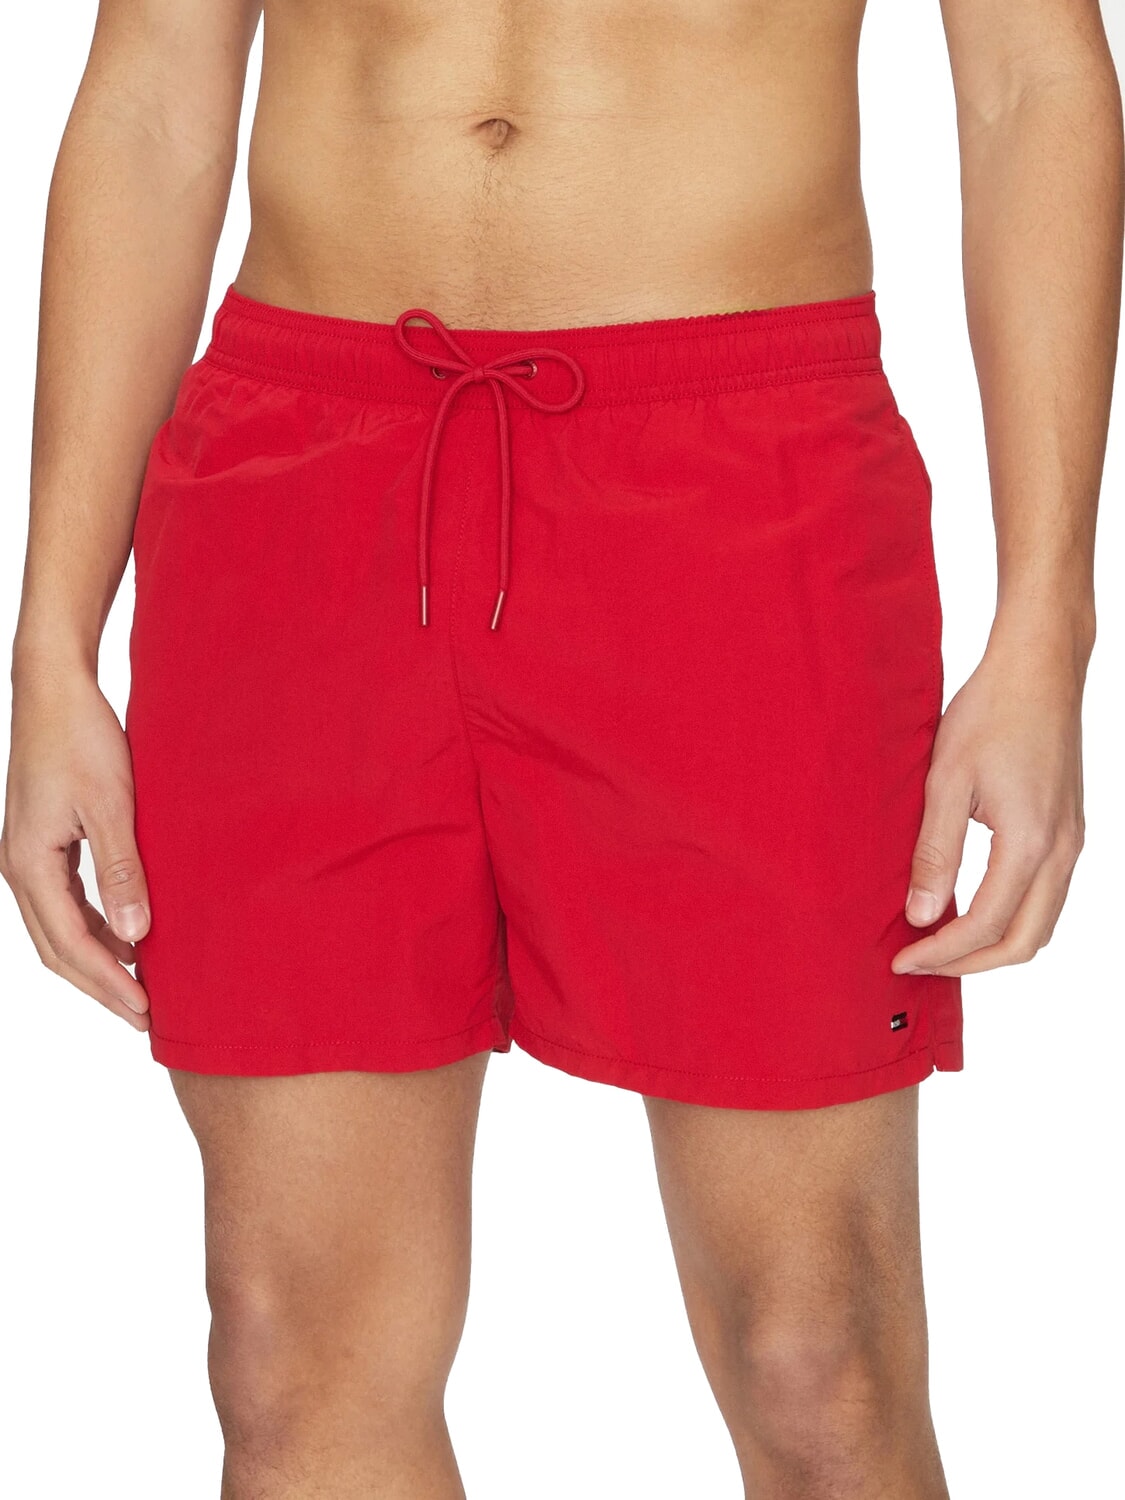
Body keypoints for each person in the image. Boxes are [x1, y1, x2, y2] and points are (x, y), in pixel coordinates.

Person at [2, 0, 1120, 1495]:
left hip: (736, 483)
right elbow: (151, 93)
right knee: (288, 1358)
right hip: (303, 481)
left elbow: (1029, 82)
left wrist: (1048, 618)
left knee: (815, 1359)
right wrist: (52, 645)